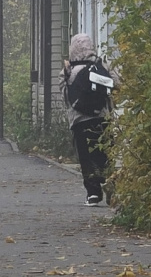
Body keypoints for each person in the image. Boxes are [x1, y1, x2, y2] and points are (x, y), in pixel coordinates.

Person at [59, 33, 118, 207]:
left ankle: (93, 193)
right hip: (102, 117)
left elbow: (65, 96)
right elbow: (116, 84)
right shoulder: (101, 65)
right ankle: (110, 186)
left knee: (86, 157)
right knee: (106, 153)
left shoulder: (68, 70)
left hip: (79, 121)